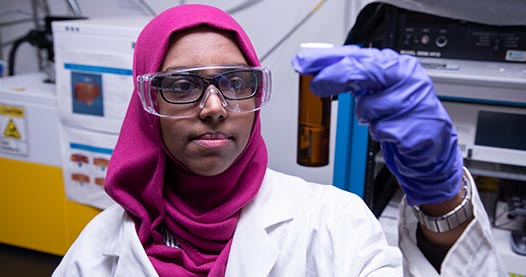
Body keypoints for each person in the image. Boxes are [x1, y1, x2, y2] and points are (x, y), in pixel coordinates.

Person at [52, 4, 506, 277]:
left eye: (234, 82)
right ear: (146, 107)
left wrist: (444, 204)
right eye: (182, 85)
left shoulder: (333, 223)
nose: (214, 107)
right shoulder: (99, 251)